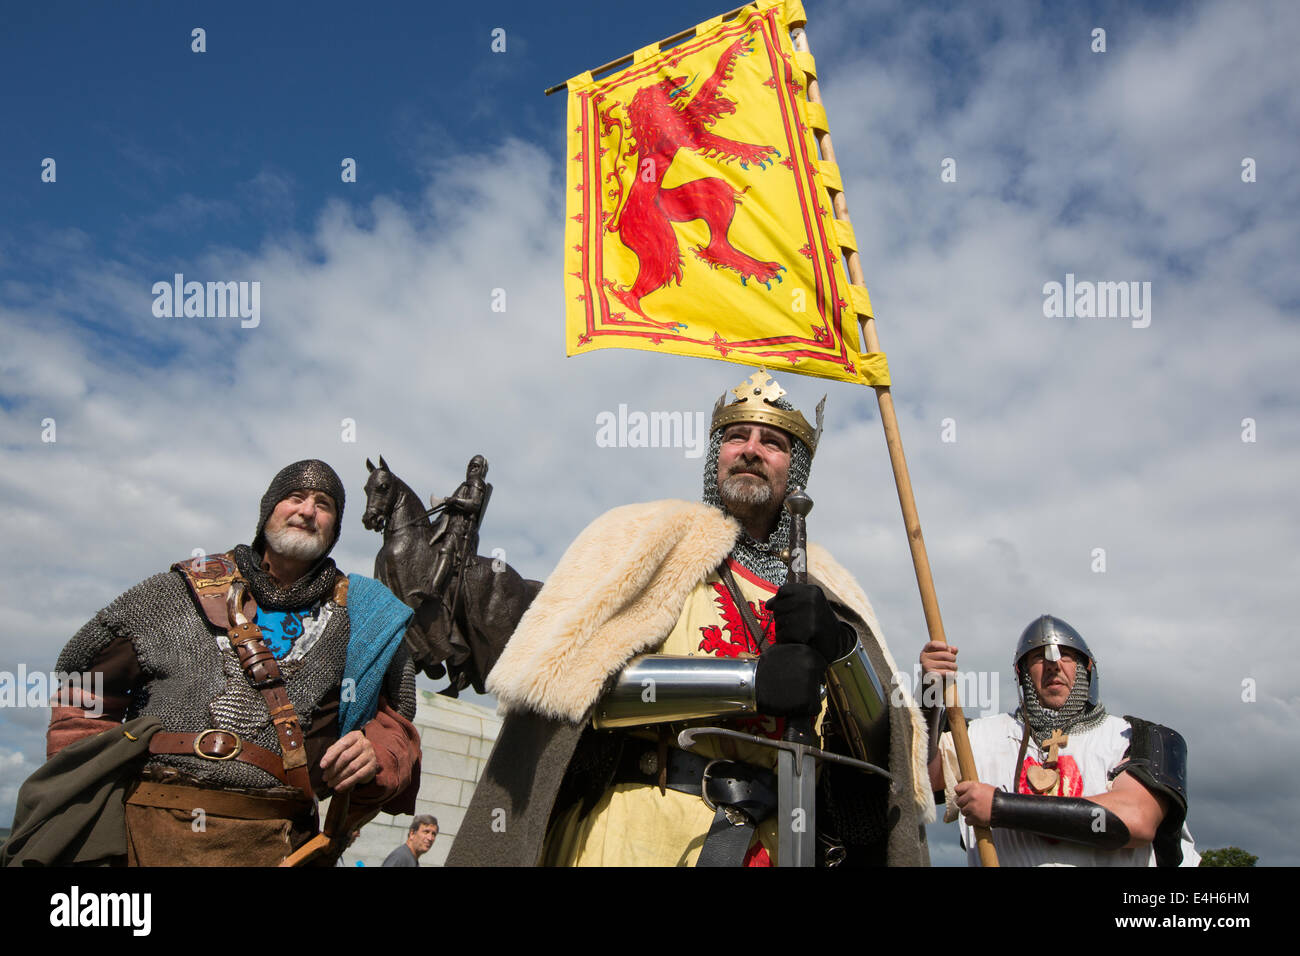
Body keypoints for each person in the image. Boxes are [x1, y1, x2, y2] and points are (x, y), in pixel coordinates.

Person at [448, 370, 932, 867]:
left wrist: (843, 651)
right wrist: (749, 682)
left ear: (797, 469)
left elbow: (884, 755)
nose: (750, 449)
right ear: (714, 456)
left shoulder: (834, 588)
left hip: (775, 845)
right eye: (736, 436)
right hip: (636, 832)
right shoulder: (644, 537)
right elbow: (567, 684)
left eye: (772, 442)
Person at [4, 459, 422, 867]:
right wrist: (89, 786)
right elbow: (85, 688)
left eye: (324, 504)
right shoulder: (177, 592)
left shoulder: (366, 617)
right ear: (269, 510)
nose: (307, 510)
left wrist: (375, 757)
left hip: (276, 843)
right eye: (295, 497)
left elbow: (396, 727)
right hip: (147, 831)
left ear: (334, 528)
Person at [921, 614, 1193, 866]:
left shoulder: (1133, 736)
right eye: (1039, 657)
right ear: (1022, 674)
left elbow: (1136, 820)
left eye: (1067, 656)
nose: (1054, 664)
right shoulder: (977, 737)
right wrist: (929, 689)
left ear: (1086, 668)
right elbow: (920, 779)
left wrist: (999, 807)